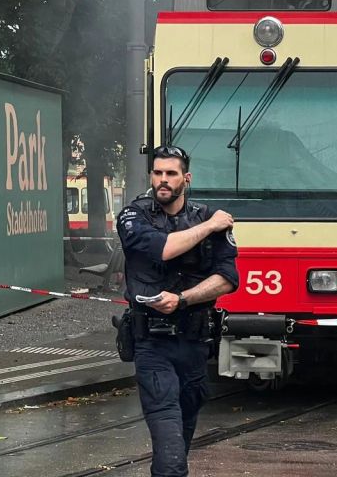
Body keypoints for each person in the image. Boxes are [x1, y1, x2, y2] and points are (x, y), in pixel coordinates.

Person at [117, 145, 239, 477]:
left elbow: (228, 279)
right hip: (151, 343)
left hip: (195, 344)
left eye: (171, 173)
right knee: (170, 450)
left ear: (186, 178)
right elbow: (164, 249)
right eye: (157, 173)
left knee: (181, 438)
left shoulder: (209, 217)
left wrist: (183, 299)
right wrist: (209, 227)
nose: (163, 180)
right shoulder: (133, 216)